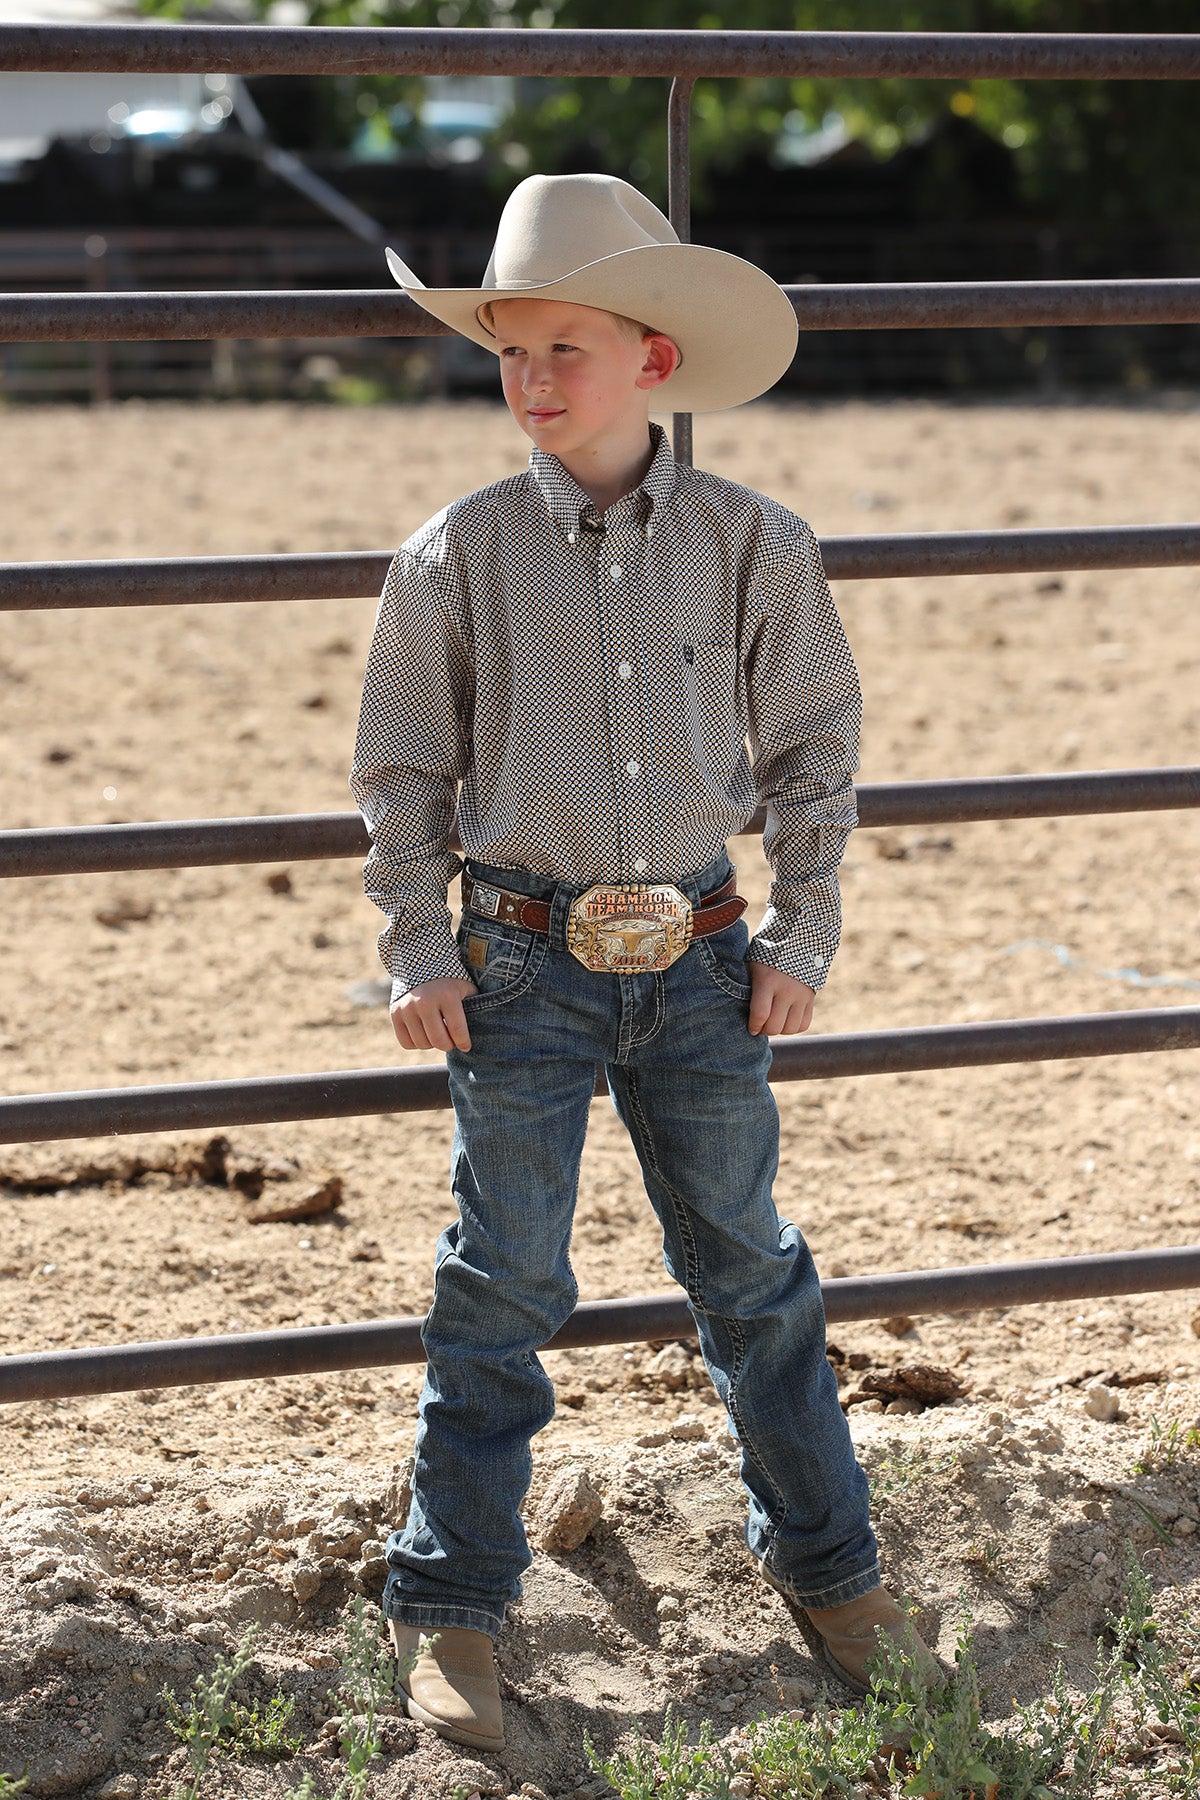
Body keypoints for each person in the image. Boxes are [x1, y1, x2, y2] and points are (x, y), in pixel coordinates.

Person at [349, 171, 941, 1755]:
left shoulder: (753, 545)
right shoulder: (456, 555)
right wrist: (422, 944)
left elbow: (815, 744)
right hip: (521, 961)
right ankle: (456, 1608)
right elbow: (402, 768)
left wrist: (803, 930)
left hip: (699, 955)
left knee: (752, 1269)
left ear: (654, 361)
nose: (532, 380)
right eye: (509, 352)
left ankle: (835, 1576)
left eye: (566, 348)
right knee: (502, 1283)